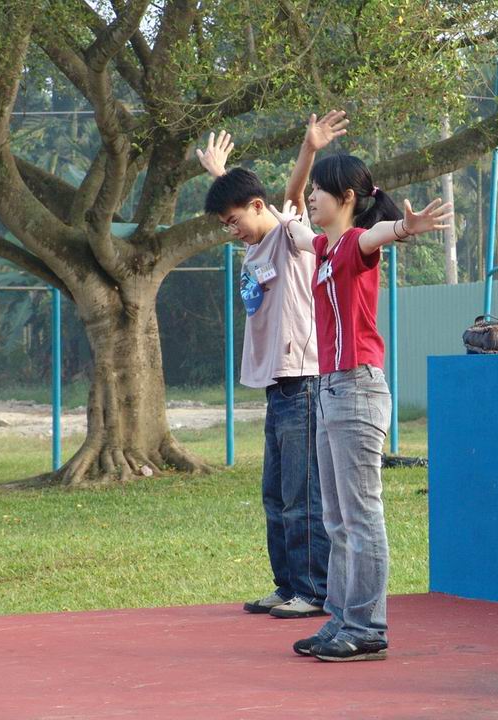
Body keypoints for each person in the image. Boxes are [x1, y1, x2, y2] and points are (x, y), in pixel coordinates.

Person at [268, 150, 451, 661]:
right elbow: (293, 225)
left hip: (357, 389)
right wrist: (299, 160)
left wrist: (405, 227)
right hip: (329, 389)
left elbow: (378, 236)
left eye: (319, 191)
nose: (311, 198)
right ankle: (341, 620)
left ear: (347, 197)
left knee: (361, 515)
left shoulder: (353, 244)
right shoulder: (323, 248)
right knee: (336, 518)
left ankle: (367, 628)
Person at [197, 111, 348, 619]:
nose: (232, 230)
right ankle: (287, 585)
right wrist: (221, 176)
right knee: (275, 495)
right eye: (225, 224)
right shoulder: (257, 239)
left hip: (302, 382)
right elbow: (245, 198)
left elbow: (292, 191)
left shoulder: (287, 231)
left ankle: (314, 590)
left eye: (234, 221)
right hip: (276, 387)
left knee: (302, 496)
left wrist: (309, 147)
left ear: (259, 208)